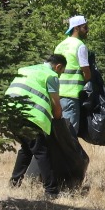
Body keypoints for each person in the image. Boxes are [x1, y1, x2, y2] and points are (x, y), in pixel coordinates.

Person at [6, 54, 65, 199]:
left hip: (9, 113)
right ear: (58, 66)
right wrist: (59, 120)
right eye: (61, 71)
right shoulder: (51, 76)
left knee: (27, 148)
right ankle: (51, 191)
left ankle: (14, 182)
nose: (60, 74)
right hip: (30, 115)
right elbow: (56, 103)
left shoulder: (26, 69)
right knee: (42, 151)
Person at [53, 16, 92, 131]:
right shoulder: (79, 46)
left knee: (60, 131)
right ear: (76, 28)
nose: (87, 30)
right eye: (85, 27)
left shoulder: (59, 46)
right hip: (71, 95)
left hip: (57, 94)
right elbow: (86, 71)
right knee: (70, 133)